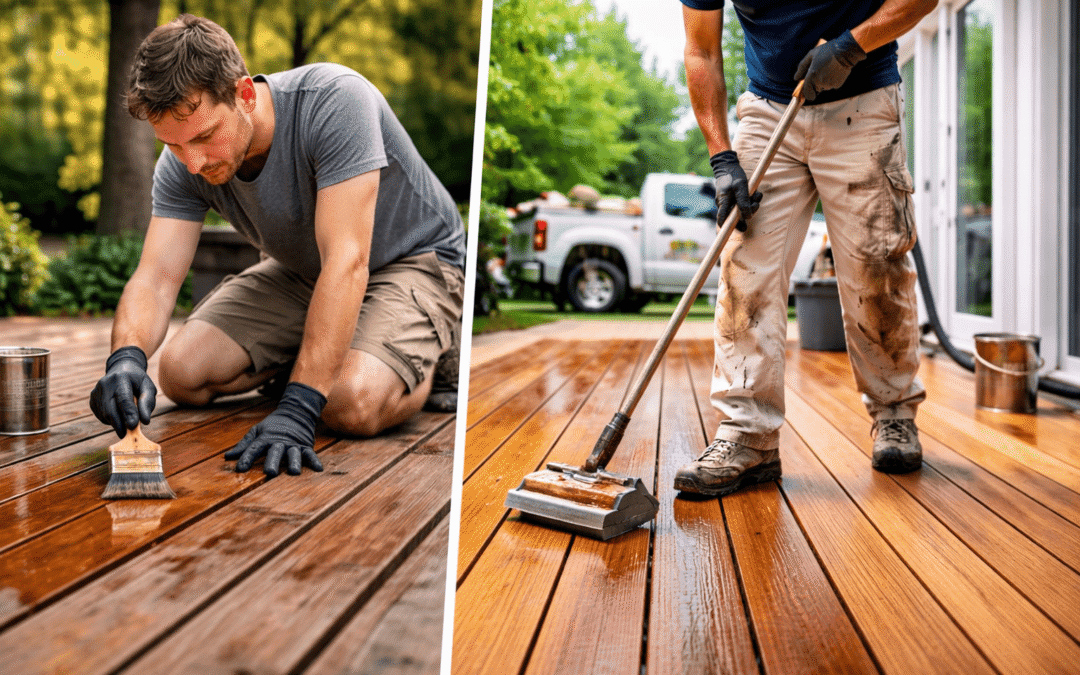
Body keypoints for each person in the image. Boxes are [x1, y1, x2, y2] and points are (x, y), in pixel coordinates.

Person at [89, 14, 465, 477]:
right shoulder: (184, 161)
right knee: (181, 374)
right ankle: (332, 349)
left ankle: (431, 356)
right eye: (174, 145)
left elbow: (348, 261)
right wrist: (126, 358)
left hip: (413, 262)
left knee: (346, 403)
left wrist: (300, 406)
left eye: (205, 137)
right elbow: (156, 277)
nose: (193, 162)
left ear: (245, 94)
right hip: (305, 270)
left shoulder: (335, 99)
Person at [675, 0, 937, 496]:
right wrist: (722, 157)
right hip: (769, 107)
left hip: (864, 99)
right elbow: (701, 51)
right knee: (744, 269)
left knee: (875, 266)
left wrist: (848, 46)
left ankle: (894, 413)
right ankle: (747, 434)